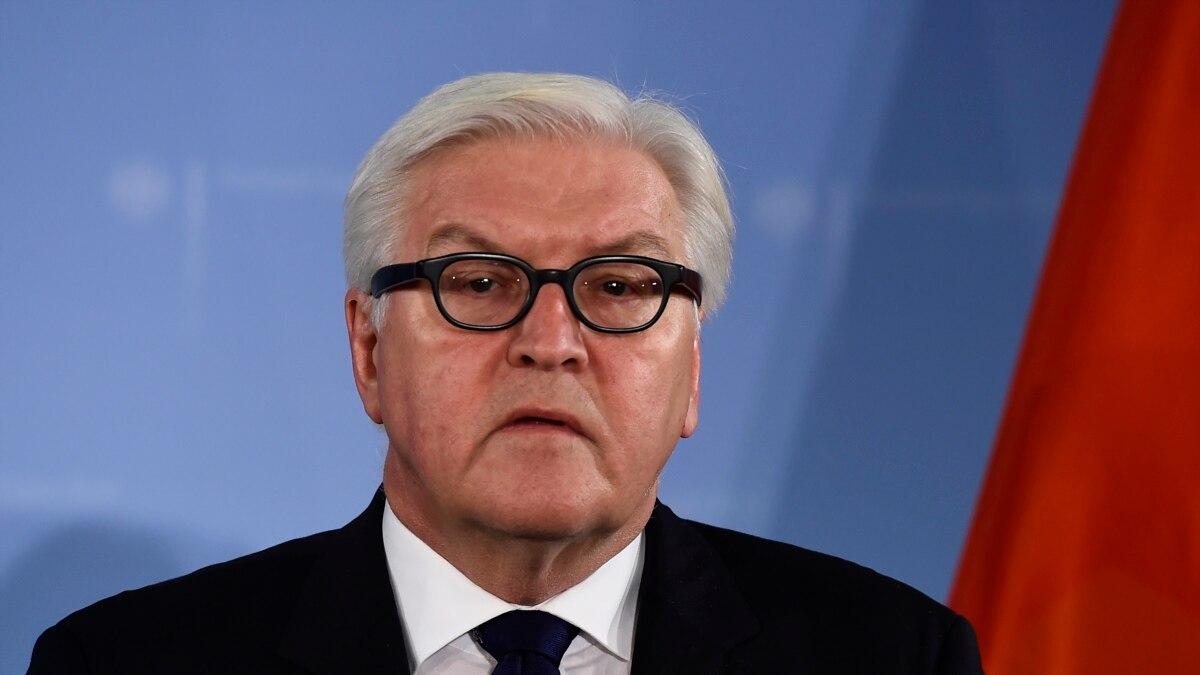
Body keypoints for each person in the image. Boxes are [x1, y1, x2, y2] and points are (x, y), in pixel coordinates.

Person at [28, 72, 983, 674]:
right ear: (369, 350)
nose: (551, 339)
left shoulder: (895, 657)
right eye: (479, 282)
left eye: (620, 285)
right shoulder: (119, 662)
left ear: (692, 368)